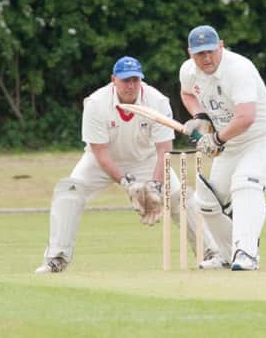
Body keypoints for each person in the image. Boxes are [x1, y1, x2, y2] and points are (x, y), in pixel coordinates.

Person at [35, 56, 213, 273]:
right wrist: (128, 184)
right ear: (113, 80)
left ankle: (210, 253)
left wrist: (156, 186)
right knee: (69, 191)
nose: (131, 86)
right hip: (100, 162)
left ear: (141, 80)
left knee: (179, 197)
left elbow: (163, 150)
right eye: (125, 80)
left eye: (135, 80)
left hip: (147, 160)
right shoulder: (96, 104)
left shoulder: (157, 101)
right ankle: (56, 258)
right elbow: (100, 153)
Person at [180, 25, 266, 271]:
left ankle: (247, 254)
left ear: (221, 46)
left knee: (246, 184)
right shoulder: (188, 72)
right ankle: (228, 255)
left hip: (263, 135)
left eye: (210, 51)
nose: (206, 59)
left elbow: (246, 117)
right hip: (233, 141)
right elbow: (187, 94)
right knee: (207, 200)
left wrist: (216, 140)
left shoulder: (239, 70)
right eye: (199, 54)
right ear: (190, 53)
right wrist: (202, 117)